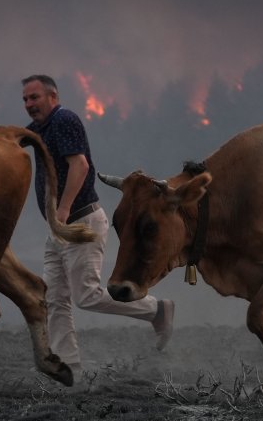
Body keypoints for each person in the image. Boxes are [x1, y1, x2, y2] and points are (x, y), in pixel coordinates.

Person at [21, 74, 173, 373]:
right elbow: (11, 136)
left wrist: (63, 209)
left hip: (79, 223)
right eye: (25, 99)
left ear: (53, 96)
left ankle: (157, 310)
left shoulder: (64, 120)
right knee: (54, 298)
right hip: (60, 229)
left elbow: (80, 165)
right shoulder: (42, 128)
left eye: (34, 97)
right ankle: (69, 366)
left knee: (86, 296)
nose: (29, 104)